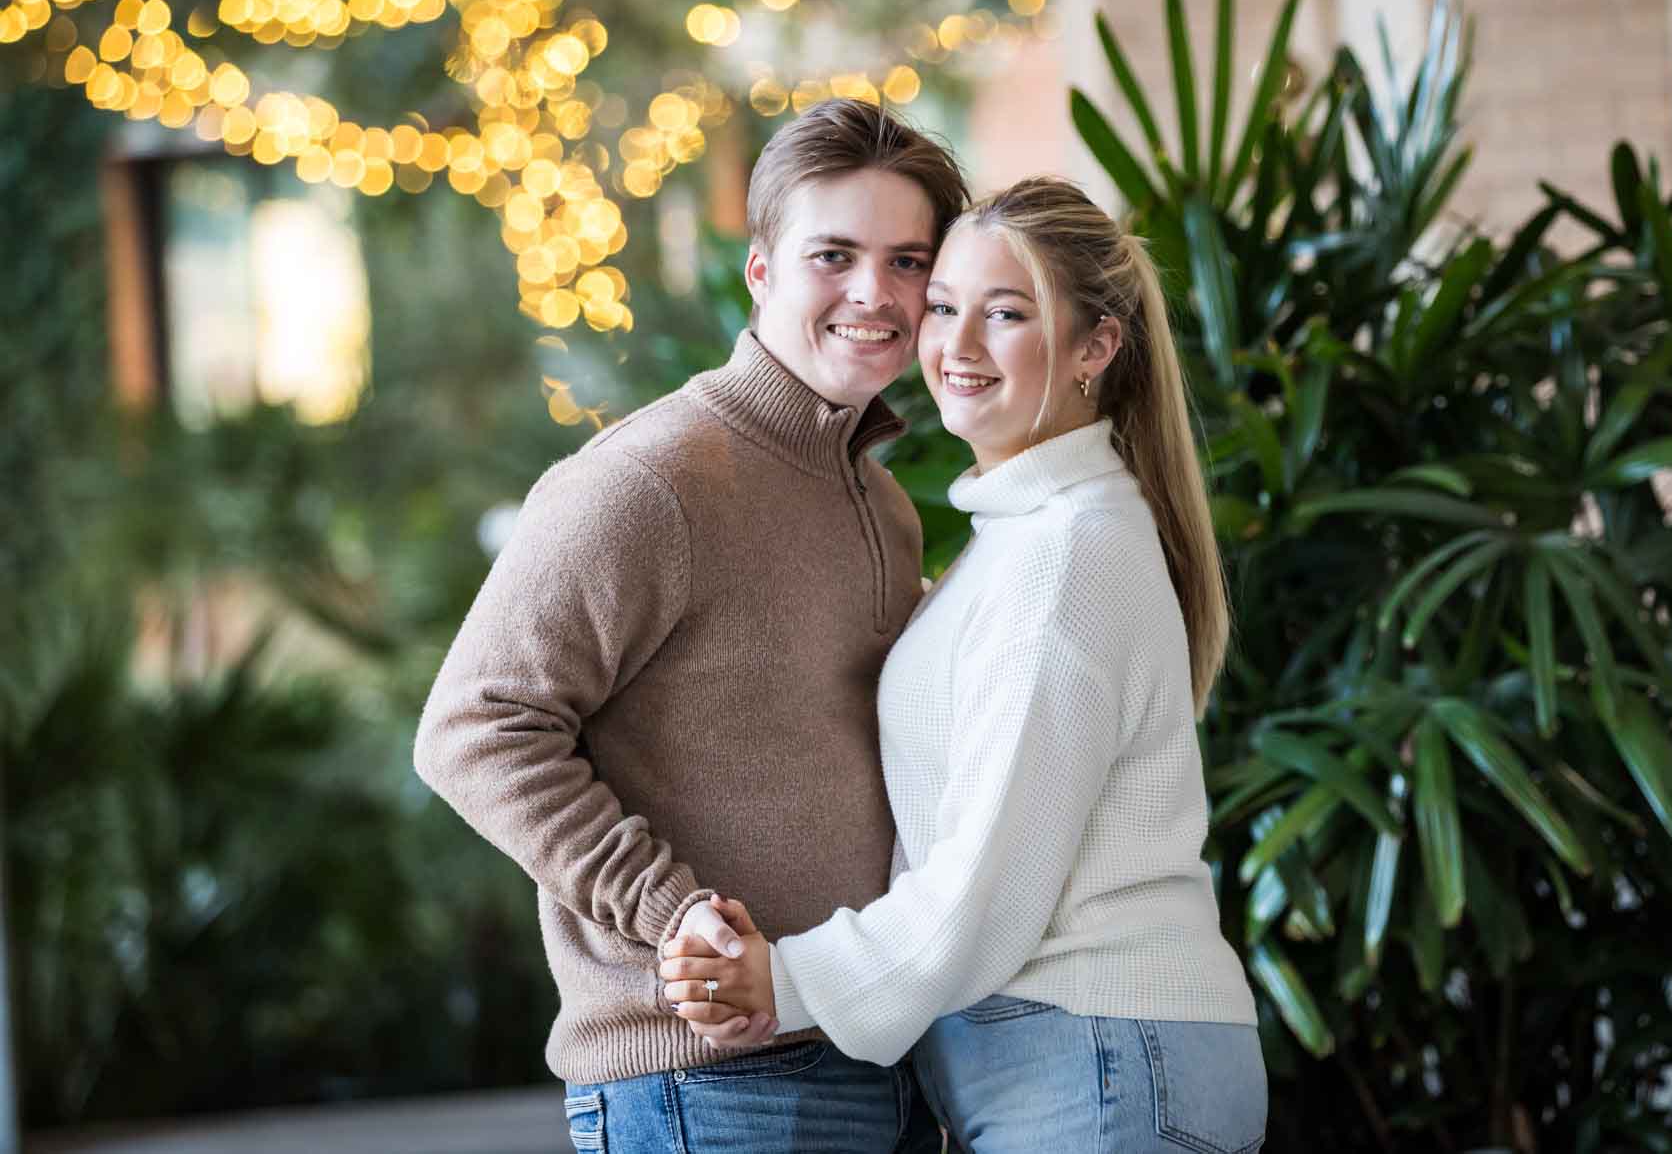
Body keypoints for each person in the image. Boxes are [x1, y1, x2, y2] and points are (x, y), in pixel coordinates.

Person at [662, 177, 1268, 1153]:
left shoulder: (1060, 557)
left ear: (1093, 346)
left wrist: (786, 978)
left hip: (1092, 1061)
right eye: (942, 307)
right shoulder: (1031, 535)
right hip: (1090, 1063)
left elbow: (988, 880)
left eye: (1007, 313)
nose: (957, 346)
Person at [412, 97, 968, 1154]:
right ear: (759, 269)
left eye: (907, 262)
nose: (874, 293)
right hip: (707, 1088)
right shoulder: (648, 482)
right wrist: (668, 910)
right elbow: (474, 728)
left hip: (875, 1055)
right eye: (833, 254)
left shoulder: (884, 505)